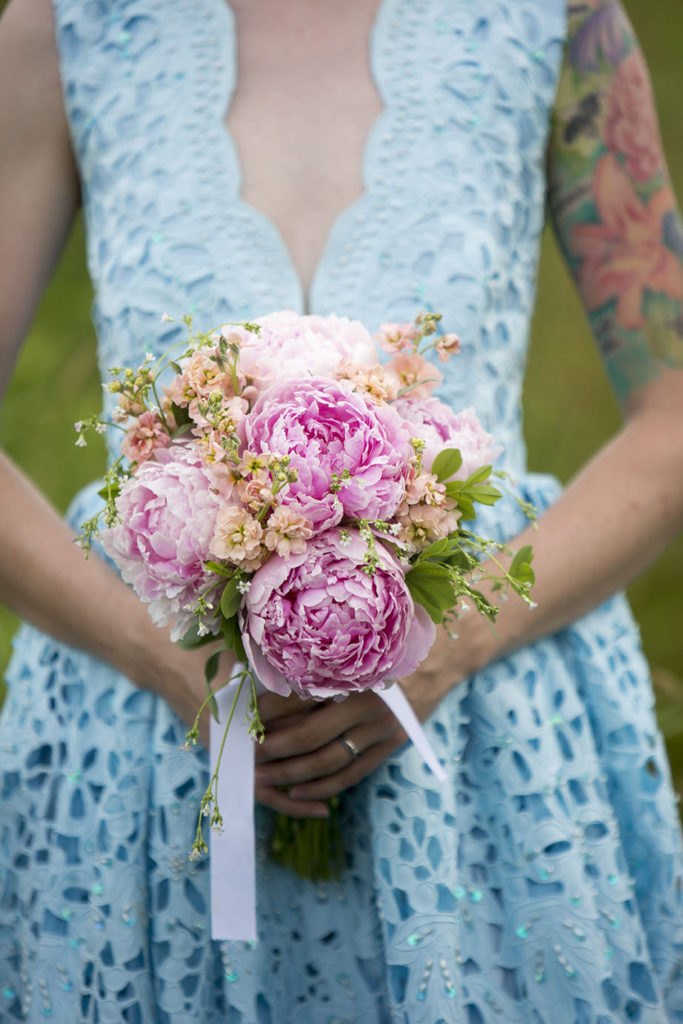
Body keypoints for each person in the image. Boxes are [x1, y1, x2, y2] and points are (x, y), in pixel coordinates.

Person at [1, 0, 683, 1019]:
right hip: (141, 740)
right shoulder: (67, 26)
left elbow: (669, 418)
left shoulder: (554, 21)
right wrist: (173, 664)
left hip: (481, 743)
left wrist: (449, 639)